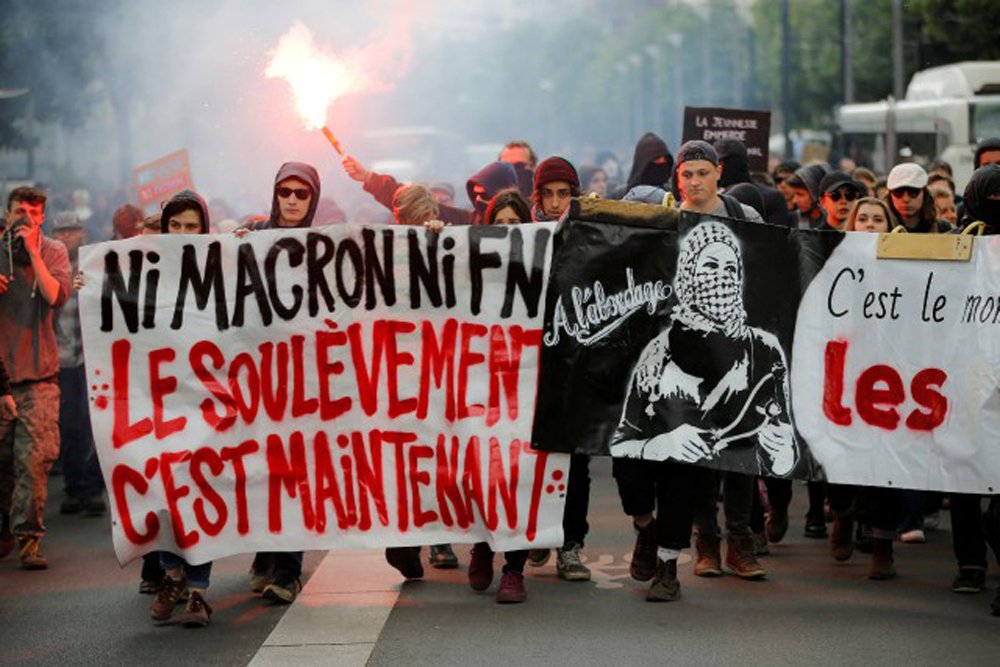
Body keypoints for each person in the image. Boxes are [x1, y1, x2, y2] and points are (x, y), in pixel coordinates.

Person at [611, 221, 796, 597]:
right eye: (710, 267)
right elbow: (622, 439)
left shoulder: (764, 351)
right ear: (689, 273)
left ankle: (667, 568)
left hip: (706, 462)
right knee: (632, 476)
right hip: (654, 449)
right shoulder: (659, 351)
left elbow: (786, 450)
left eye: (730, 270)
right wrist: (659, 445)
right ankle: (646, 529)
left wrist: (780, 447)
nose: (721, 278)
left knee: (684, 479)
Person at [147, 189, 217, 626]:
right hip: (156, 403)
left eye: (192, 227)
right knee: (161, 494)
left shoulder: (219, 269)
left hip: (206, 404)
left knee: (201, 493)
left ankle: (197, 591)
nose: (184, 234)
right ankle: (171, 575)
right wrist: (92, 287)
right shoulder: (142, 269)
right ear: (164, 228)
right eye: (176, 226)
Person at [525, 157, 593, 582]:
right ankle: (534, 532)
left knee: (577, 462)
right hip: (528, 366)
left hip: (576, 363)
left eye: (563, 194)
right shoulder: (518, 234)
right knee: (532, 456)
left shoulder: (590, 233)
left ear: (575, 195)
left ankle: (570, 544)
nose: (554, 203)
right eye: (547, 194)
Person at [467, 188, 533, 603]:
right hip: (481, 386)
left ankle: (514, 568)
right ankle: (481, 543)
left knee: (521, 477)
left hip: (526, 387)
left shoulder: (545, 264)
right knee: (480, 471)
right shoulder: (471, 265)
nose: (508, 232)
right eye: (501, 225)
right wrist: (436, 238)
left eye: (516, 224)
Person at [0, 186, 71, 571]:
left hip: (39, 375)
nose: (25, 216)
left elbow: (56, 295)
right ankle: (5, 526)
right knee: (3, 464)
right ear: (7, 213)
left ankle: (29, 537)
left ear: (41, 217)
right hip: (1, 377)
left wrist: (31, 253)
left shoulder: (53, 251)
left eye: (32, 211)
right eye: (18, 210)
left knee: (33, 461)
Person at [50, 212, 105, 518]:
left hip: (91, 358)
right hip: (60, 358)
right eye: (62, 231)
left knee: (95, 423)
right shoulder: (47, 266)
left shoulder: (93, 264)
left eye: (72, 231)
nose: (68, 236)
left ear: (81, 233)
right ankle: (74, 487)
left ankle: (92, 486)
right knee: (69, 425)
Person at [715, 138, 793, 227]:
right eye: (715, 163)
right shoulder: (709, 196)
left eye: (722, 163)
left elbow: (776, 237)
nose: (718, 168)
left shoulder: (771, 197)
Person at [885, 163, 950, 233]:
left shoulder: (942, 228)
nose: (906, 199)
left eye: (913, 192)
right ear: (890, 195)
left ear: (924, 193)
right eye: (898, 193)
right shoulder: (882, 228)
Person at [610, 132, 673, 200]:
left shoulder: (672, 196)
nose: (663, 162)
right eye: (657, 158)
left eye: (665, 158)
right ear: (644, 163)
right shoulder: (619, 195)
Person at [784, 163, 829, 228]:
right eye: (794, 195)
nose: (794, 200)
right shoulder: (792, 219)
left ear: (815, 194)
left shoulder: (836, 221)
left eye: (800, 194)